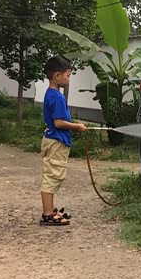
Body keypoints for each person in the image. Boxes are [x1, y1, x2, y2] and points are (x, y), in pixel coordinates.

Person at [40, 57, 87, 226]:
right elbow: (59, 123)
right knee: (52, 176)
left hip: (52, 139)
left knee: (53, 175)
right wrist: (76, 126)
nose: (69, 79)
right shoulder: (58, 97)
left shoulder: (50, 93)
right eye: (68, 75)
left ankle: (51, 210)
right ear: (57, 75)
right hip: (56, 141)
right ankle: (48, 214)